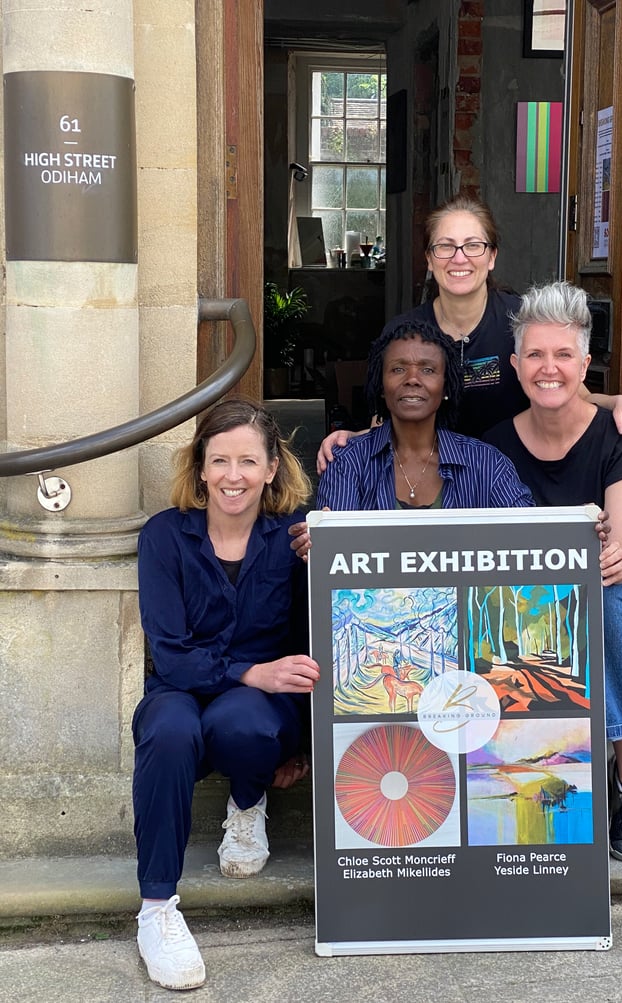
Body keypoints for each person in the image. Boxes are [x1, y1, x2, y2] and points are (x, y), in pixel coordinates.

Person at [483, 281, 622, 863]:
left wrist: (614, 558)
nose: (550, 368)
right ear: (515, 365)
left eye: (564, 355)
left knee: (612, 605)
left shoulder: (619, 434)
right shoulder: (495, 446)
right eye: (537, 355)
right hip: (548, 608)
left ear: (585, 364)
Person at [133, 399, 319, 991]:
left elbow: (320, 642)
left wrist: (308, 745)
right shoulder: (165, 535)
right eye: (219, 461)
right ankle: (157, 908)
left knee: (245, 723)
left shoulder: (295, 541)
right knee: (168, 730)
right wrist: (249, 671)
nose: (232, 475)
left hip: (260, 713)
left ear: (271, 470)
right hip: (179, 689)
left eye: (247, 461)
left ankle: (247, 805)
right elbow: (170, 651)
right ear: (201, 468)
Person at [316, 192, 622, 471]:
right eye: (445, 246)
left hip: (515, 477)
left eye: (473, 245)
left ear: (491, 256)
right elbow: (386, 424)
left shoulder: (522, 320)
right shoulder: (404, 335)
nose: (459, 258)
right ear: (429, 260)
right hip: (433, 483)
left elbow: (573, 395)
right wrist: (352, 438)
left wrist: (620, 402)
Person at [314, 317, 535, 513]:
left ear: (446, 387)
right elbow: (336, 551)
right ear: (381, 385)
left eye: (427, 370)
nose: (412, 379)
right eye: (398, 369)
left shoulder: (487, 464)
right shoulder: (347, 462)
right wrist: (320, 544)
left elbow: (528, 541)